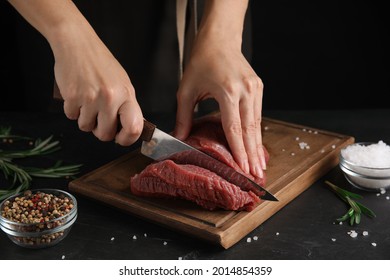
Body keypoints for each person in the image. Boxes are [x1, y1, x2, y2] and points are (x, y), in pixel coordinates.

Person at [7, 0, 266, 179]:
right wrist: (68, 33)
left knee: (216, 131)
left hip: (209, 16)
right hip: (63, 13)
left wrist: (224, 33)